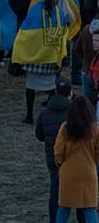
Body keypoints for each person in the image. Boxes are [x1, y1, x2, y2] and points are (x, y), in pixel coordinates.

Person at [37, 78, 78, 223]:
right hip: (73, 158)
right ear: (70, 93)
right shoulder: (75, 112)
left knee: (55, 192)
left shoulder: (45, 112)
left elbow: (39, 135)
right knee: (80, 192)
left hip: (53, 158)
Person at [54, 95, 99, 223]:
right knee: (90, 209)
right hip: (88, 173)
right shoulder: (95, 129)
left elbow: (58, 151)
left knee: (63, 208)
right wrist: (92, 162)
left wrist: (60, 164)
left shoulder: (65, 127)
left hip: (68, 172)